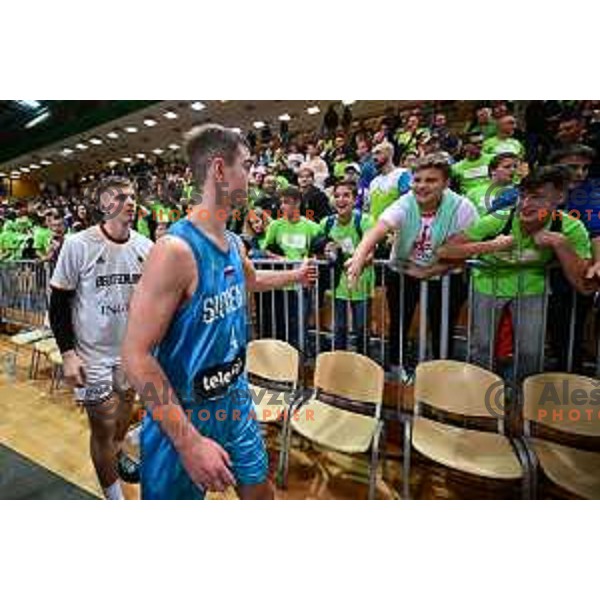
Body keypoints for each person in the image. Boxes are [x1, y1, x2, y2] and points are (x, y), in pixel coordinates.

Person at [122, 124, 317, 500]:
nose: (254, 176)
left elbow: (252, 279)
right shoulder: (174, 251)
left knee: (261, 494)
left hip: (235, 399)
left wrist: (296, 275)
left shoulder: (233, 242)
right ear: (219, 170)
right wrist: (189, 442)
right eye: (246, 165)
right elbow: (134, 355)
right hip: (185, 415)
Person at [48, 175, 154, 500]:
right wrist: (68, 353)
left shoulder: (145, 247)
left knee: (123, 417)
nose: (129, 201)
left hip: (129, 353)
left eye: (132, 196)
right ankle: (114, 497)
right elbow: (59, 302)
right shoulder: (78, 244)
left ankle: (118, 450)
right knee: (103, 425)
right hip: (91, 355)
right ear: (102, 204)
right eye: (120, 196)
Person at [437, 166, 593, 381]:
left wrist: (559, 243)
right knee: (482, 347)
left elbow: (584, 285)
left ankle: (521, 404)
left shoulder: (570, 227)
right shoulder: (500, 218)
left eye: (537, 197)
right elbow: (445, 250)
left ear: (559, 197)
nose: (526, 204)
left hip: (532, 289)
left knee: (531, 352)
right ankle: (478, 403)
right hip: (487, 285)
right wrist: (490, 246)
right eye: (523, 196)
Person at [347, 154, 478, 377]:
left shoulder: (463, 208)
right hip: (403, 272)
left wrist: (430, 271)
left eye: (430, 180)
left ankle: (441, 375)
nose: (422, 186)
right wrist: (358, 258)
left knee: (442, 327)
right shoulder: (405, 202)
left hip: (446, 275)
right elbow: (378, 229)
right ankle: (397, 371)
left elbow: (469, 249)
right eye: (417, 180)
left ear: (446, 183)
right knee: (399, 324)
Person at [547, 145, 600, 372]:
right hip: (542, 271)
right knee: (555, 328)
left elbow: (597, 233)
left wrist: (598, 263)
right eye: (573, 167)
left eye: (585, 168)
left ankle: (571, 375)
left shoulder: (592, 193)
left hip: (579, 271)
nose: (580, 173)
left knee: (573, 329)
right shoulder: (541, 189)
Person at [319, 181, 375, 355]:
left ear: (354, 199)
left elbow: (371, 252)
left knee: (361, 327)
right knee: (339, 328)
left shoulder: (364, 220)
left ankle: (364, 364)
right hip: (338, 284)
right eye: (337, 196)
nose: (341, 199)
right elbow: (318, 249)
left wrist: (354, 264)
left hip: (361, 281)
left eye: (346, 195)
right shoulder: (326, 223)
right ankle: (340, 363)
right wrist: (326, 252)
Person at [262, 186, 321, 349]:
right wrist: (281, 259)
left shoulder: (311, 227)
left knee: (299, 328)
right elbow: (266, 250)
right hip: (281, 284)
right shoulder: (275, 226)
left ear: (297, 203)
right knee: (281, 327)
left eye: (286, 202)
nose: (282, 206)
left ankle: (299, 361)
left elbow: (318, 253)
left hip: (302, 286)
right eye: (281, 203)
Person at [365, 141, 411, 221]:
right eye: (372, 154)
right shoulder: (373, 182)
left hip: (396, 228)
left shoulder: (402, 174)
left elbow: (408, 203)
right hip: (376, 229)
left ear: (389, 153)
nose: (374, 157)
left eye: (378, 153)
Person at [451, 132, 493, 197]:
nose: (479, 145)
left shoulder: (493, 159)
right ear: (465, 146)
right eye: (475, 143)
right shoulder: (456, 168)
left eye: (481, 142)